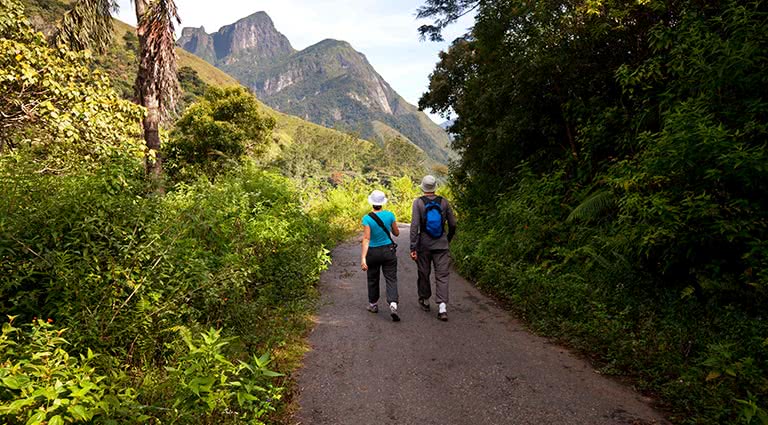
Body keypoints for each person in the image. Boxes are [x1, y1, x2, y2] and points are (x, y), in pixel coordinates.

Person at [410, 175, 457, 321]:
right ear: (435, 187)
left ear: (423, 187)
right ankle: (442, 307)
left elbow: (414, 226)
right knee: (442, 275)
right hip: (441, 243)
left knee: (424, 272)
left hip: (424, 244)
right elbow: (453, 224)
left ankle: (424, 300)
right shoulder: (444, 202)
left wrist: (413, 246)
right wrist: (447, 239)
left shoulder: (418, 203)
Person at [361, 190, 401, 322]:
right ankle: (393, 304)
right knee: (391, 278)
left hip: (373, 252)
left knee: (373, 278)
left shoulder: (367, 218)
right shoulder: (390, 215)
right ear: (382, 203)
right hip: (388, 251)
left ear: (372, 202)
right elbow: (396, 233)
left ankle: (373, 304)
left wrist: (363, 258)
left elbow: (366, 239)